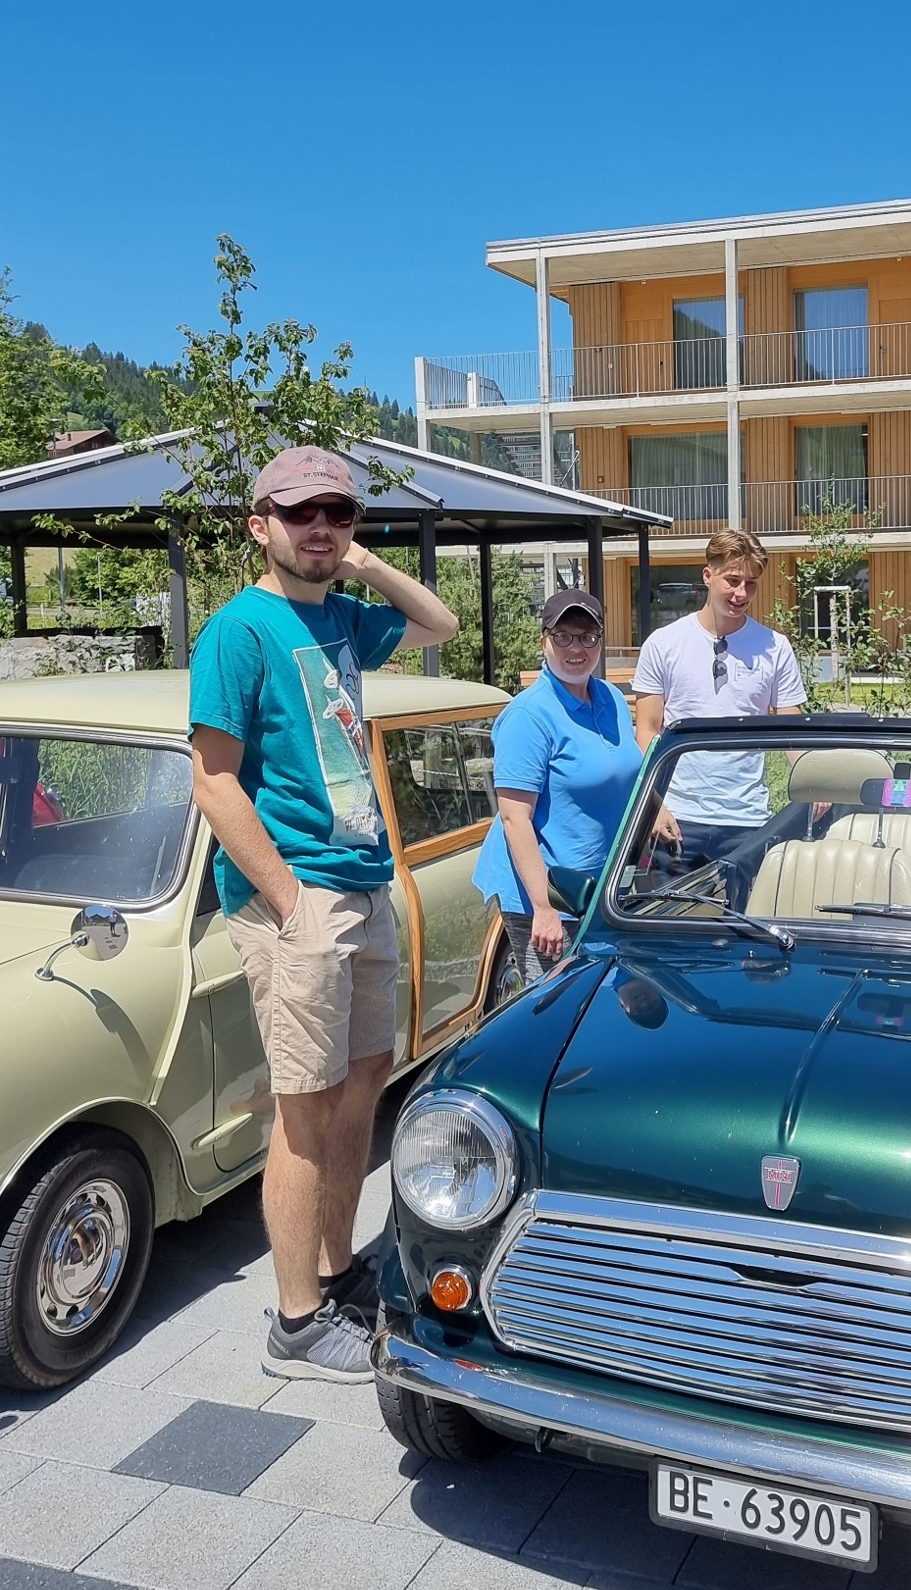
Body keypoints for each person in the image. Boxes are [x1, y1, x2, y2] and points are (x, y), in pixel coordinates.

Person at [188, 445, 458, 1383]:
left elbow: (441, 623)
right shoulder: (239, 631)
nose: (321, 530)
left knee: (363, 1084)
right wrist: (291, 900)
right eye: (301, 514)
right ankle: (295, 1320)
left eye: (338, 515)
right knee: (303, 1110)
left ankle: (337, 1270)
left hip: (364, 882)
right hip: (297, 896)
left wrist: (368, 565)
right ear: (259, 523)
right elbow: (215, 784)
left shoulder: (344, 614)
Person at [474, 588, 641, 983]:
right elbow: (515, 818)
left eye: (587, 637)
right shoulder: (529, 716)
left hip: (601, 885)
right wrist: (543, 907)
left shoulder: (612, 698)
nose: (575, 648)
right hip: (549, 890)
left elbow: (625, 772)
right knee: (554, 1008)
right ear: (543, 640)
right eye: (562, 636)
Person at [632, 528, 805, 878]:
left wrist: (817, 784)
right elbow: (647, 731)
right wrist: (654, 806)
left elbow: (793, 732)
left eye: (751, 584)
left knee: (745, 931)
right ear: (708, 576)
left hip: (748, 821)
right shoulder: (663, 644)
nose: (741, 593)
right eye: (732, 580)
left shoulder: (775, 647)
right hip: (677, 820)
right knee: (669, 929)